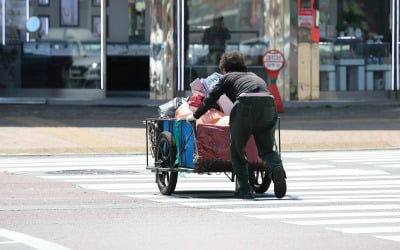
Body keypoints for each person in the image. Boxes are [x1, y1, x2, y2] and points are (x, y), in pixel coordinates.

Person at [186, 51, 286, 199]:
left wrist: (195, 116)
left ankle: (244, 189)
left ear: (224, 68)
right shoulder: (254, 76)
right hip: (269, 104)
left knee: (237, 149)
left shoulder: (226, 78)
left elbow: (210, 98)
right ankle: (276, 168)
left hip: (246, 105)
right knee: (266, 149)